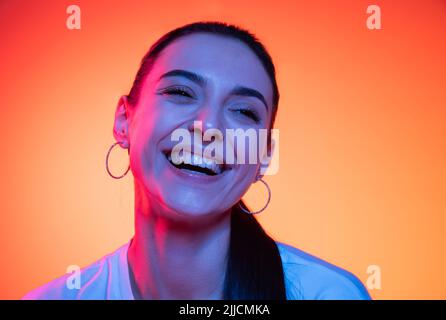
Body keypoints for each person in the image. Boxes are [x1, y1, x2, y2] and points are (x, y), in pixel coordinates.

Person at [23, 21, 371, 300]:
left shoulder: (327, 293)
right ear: (124, 121)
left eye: (244, 111)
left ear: (264, 156)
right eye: (180, 92)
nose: (208, 127)